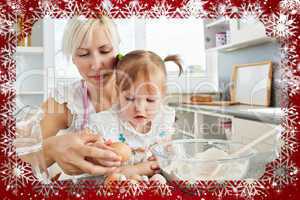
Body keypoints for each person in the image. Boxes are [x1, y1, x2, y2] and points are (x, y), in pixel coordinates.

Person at [18, 16, 124, 177]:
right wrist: (51, 148)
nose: (95, 64)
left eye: (105, 51)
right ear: (73, 58)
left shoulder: (142, 90)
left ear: (117, 50)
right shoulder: (65, 101)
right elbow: (15, 155)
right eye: (83, 54)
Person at [87, 50, 183, 177]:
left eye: (150, 100)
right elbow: (99, 169)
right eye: (130, 99)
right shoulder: (105, 124)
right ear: (118, 92)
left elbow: (167, 161)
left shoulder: (162, 120)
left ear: (163, 95)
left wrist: (141, 169)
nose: (139, 108)